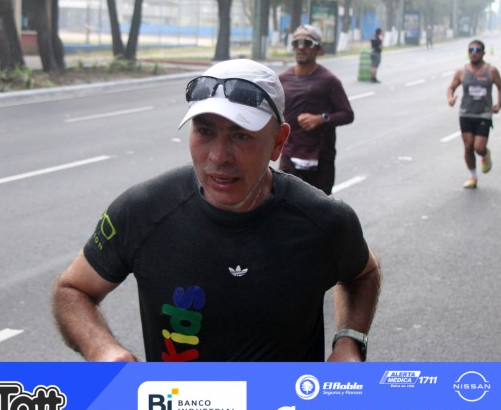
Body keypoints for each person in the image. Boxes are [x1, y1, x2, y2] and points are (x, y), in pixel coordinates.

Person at [51, 58, 381, 362]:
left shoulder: (323, 220)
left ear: (278, 142)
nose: (219, 156)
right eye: (205, 131)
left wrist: (349, 341)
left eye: (241, 135)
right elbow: (73, 289)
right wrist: (102, 349)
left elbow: (363, 274)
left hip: (286, 407)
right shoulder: (142, 211)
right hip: (177, 405)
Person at [279, 24, 355, 195]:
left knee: (318, 209)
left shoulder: (329, 80)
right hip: (289, 158)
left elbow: (347, 114)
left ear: (317, 48)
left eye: (307, 43)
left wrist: (321, 119)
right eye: (296, 43)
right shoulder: (282, 80)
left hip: (320, 159)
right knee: (284, 206)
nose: (301, 47)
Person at [446, 40, 501, 189]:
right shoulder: (461, 71)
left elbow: (500, 87)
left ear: (483, 53)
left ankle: (484, 154)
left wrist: (499, 104)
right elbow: (451, 87)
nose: (474, 53)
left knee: (478, 147)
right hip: (466, 113)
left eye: (477, 50)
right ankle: (473, 177)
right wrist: (450, 98)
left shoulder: (491, 71)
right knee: (468, 146)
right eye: (471, 50)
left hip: (484, 113)